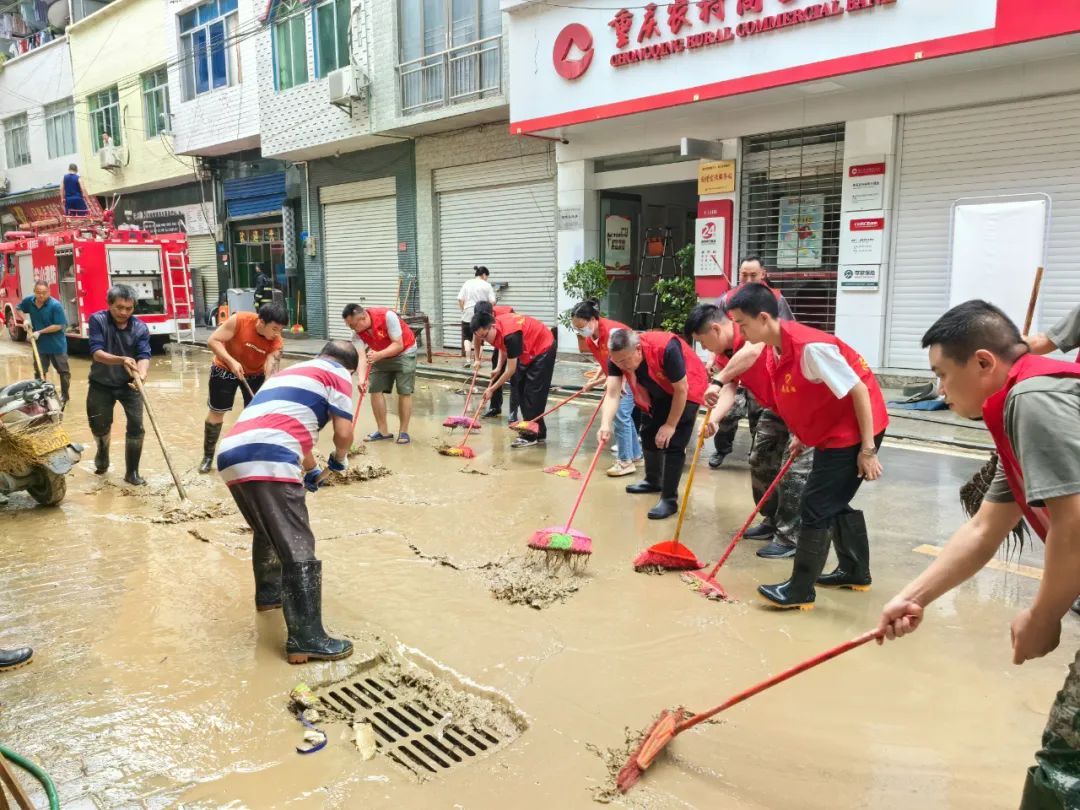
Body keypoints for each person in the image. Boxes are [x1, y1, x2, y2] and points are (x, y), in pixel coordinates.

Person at [877, 300, 1080, 809]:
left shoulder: (1034, 399)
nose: (940, 390)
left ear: (985, 362)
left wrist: (1043, 615)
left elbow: (1075, 524)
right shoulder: (1017, 405)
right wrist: (912, 597)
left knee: (1064, 765)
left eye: (943, 375)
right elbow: (986, 528)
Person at [726, 283, 888, 608]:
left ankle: (799, 590)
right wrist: (801, 433)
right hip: (831, 430)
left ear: (762, 317)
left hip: (852, 432)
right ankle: (855, 571)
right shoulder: (776, 347)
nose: (739, 331)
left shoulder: (810, 347)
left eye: (742, 323)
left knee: (815, 505)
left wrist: (867, 450)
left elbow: (857, 390)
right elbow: (804, 395)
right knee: (832, 500)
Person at [217, 340, 357, 664]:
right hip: (271, 456)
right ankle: (307, 638)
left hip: (232, 455)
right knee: (298, 542)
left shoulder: (291, 373)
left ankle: (269, 596)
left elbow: (293, 429)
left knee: (267, 530)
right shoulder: (338, 374)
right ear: (349, 366)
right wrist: (339, 460)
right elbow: (344, 431)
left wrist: (311, 471)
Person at [688, 303, 812, 560]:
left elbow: (751, 354)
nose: (704, 349)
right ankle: (772, 518)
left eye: (702, 342)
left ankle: (790, 536)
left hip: (802, 404)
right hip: (775, 407)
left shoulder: (750, 331)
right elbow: (730, 388)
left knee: (794, 471)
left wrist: (717, 379)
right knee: (759, 458)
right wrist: (714, 420)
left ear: (715, 328)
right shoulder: (724, 352)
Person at [597, 329, 708, 519]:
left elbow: (681, 390)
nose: (621, 366)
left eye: (624, 362)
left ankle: (669, 499)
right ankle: (653, 480)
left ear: (638, 349)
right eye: (617, 363)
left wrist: (670, 425)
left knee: (672, 441)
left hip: (687, 388)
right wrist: (605, 424)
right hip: (657, 389)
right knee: (648, 432)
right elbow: (613, 393)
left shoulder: (666, 348)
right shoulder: (617, 357)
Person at [709, 256, 795, 469]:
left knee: (761, 416)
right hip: (733, 366)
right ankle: (721, 449)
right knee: (727, 414)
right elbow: (716, 330)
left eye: (753, 275)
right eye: (743, 275)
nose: (747, 280)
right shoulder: (727, 298)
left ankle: (760, 453)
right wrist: (715, 360)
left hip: (763, 368)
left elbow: (777, 336)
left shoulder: (774, 299)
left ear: (764, 274)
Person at [198, 303, 287, 473]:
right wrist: (231, 362)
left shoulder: (276, 343)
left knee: (255, 415)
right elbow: (213, 341)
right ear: (261, 322)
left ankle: (250, 457)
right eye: (275, 328)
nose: (277, 334)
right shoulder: (239, 320)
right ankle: (208, 457)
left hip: (255, 374)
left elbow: (271, 373)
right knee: (217, 411)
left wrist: (269, 394)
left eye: (281, 329)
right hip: (224, 369)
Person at [87, 284, 152, 486]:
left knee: (136, 426)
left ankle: (132, 473)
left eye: (129, 308)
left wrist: (141, 375)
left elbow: (144, 355)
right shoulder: (98, 320)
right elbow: (97, 352)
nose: (124, 312)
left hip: (129, 385)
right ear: (110, 305)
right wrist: (122, 360)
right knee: (99, 425)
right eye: (119, 307)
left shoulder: (140, 328)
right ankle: (103, 453)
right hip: (101, 383)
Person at [570, 300, 641, 477]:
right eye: (576, 328)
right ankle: (636, 454)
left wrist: (617, 381)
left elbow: (625, 357)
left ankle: (625, 461)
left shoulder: (613, 332)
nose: (580, 331)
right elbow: (606, 362)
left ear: (594, 319)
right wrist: (593, 381)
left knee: (620, 413)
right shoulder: (590, 338)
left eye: (582, 326)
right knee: (624, 415)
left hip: (633, 371)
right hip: (618, 374)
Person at [472, 309, 556, 448]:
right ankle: (538, 431)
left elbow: (510, 370)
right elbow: (503, 347)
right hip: (526, 348)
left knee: (533, 392)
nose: (485, 340)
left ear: (492, 326)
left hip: (542, 347)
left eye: (485, 336)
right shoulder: (497, 328)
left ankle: (530, 436)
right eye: (481, 338)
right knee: (520, 387)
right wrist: (499, 367)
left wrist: (492, 389)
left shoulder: (511, 334)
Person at [342, 303, 416, 444]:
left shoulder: (387, 316)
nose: (351, 329)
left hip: (404, 351)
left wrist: (379, 355)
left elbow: (398, 344)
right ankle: (383, 431)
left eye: (352, 325)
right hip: (379, 354)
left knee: (404, 390)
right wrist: (362, 379)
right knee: (375, 389)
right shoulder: (356, 334)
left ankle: (404, 432)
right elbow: (362, 357)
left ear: (362, 318)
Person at [17, 280, 70, 407]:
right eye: (38, 293)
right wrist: (25, 320)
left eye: (44, 293)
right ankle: (41, 395)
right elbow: (18, 308)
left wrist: (39, 332)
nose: (41, 296)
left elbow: (58, 325)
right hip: (40, 345)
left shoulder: (55, 305)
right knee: (39, 371)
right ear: (34, 292)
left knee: (63, 372)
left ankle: (65, 396)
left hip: (57, 345)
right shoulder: (29, 301)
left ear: (49, 292)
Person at [472, 300, 517, 420]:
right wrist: (477, 359)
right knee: (495, 373)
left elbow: (506, 343)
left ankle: (513, 412)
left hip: (511, 341)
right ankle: (495, 407)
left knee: (514, 374)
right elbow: (476, 339)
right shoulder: (478, 322)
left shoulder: (504, 315)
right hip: (499, 343)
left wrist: (500, 366)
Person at [458, 266, 496, 368]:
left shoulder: (467, 283)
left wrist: (463, 310)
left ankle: (467, 360)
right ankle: (477, 360)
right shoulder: (487, 285)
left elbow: (460, 299)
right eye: (487, 276)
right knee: (480, 337)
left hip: (467, 313)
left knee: (467, 337)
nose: (487, 278)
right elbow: (493, 302)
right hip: (481, 313)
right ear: (484, 275)